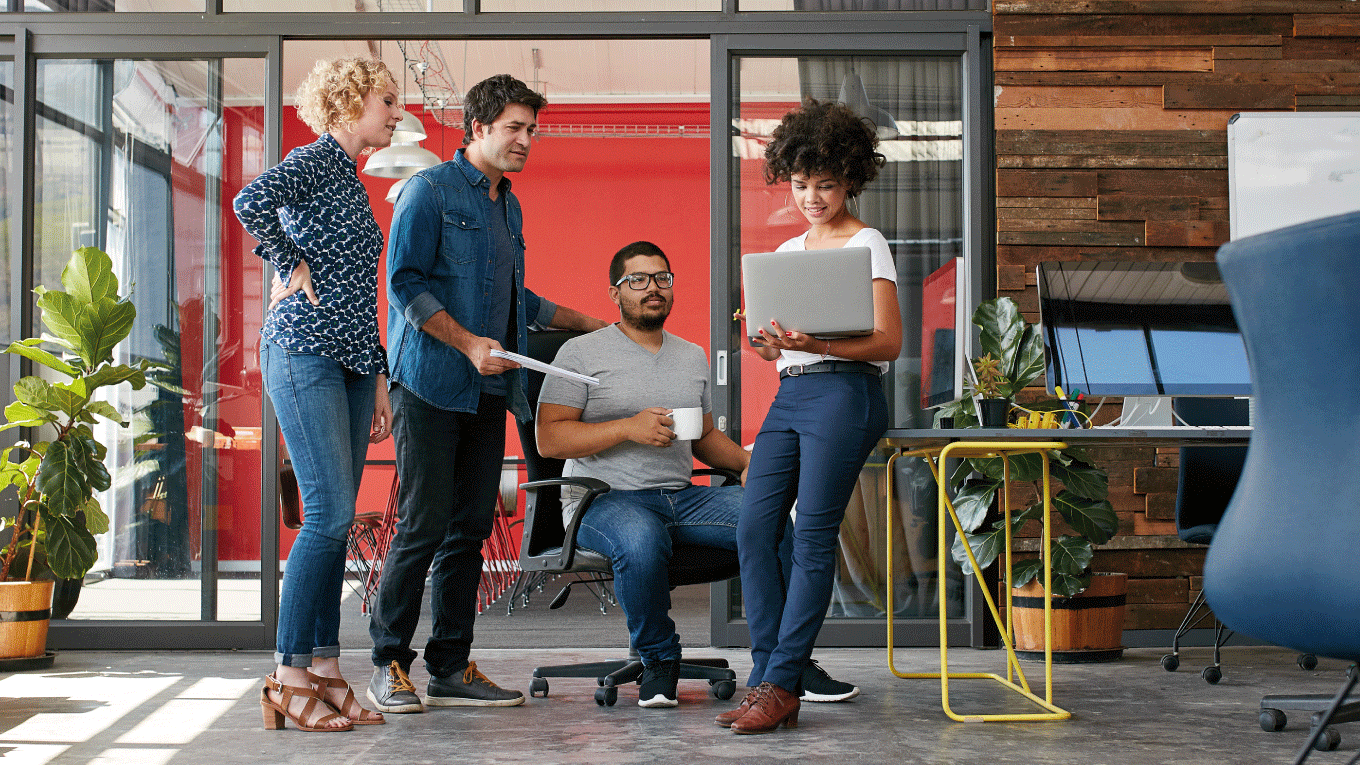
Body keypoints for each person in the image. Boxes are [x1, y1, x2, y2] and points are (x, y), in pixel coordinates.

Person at [367, 73, 607, 714]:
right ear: (478, 128)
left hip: (490, 396)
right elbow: (405, 283)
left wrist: (588, 323)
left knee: (470, 531)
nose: (527, 140)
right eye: (514, 128)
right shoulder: (427, 191)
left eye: (533, 130)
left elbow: (515, 300)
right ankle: (388, 662)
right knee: (422, 526)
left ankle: (449, 667)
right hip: (430, 385)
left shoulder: (508, 204)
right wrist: (470, 342)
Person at [536, 241, 861, 709]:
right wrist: (629, 427)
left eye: (662, 278)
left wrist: (750, 467)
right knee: (641, 540)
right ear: (615, 293)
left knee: (770, 521)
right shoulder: (581, 353)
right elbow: (550, 439)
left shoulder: (690, 355)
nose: (653, 288)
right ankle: (659, 659)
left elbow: (703, 435)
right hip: (603, 499)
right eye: (638, 280)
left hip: (683, 496)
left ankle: (787, 666)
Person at [722, 98, 902, 735]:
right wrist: (771, 346)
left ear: (850, 178)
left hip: (847, 392)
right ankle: (774, 671)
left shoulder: (867, 242)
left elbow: (888, 343)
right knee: (753, 526)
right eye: (800, 185)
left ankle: (777, 682)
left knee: (812, 532)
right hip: (793, 390)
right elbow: (780, 345)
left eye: (825, 184)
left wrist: (817, 344)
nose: (811, 197)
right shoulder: (790, 248)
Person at [234, 56, 399, 732]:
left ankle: (326, 666)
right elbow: (250, 201)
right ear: (350, 102)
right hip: (302, 351)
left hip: (356, 361)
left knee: (335, 521)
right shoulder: (315, 160)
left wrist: (382, 374)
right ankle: (287, 673)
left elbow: (364, 295)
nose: (395, 113)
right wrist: (287, 261)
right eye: (387, 101)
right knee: (328, 516)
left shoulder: (354, 183)